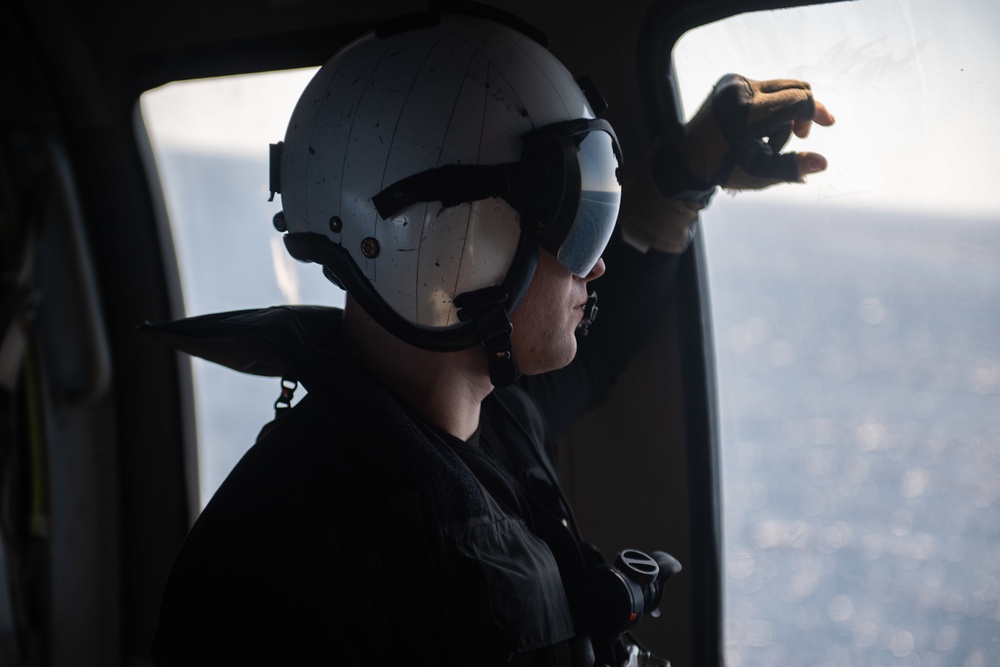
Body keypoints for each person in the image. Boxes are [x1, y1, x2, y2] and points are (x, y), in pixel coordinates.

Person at [145, 7, 834, 666]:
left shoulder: (492, 420)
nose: (595, 265)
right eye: (574, 217)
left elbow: (599, 349)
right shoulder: (279, 565)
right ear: (452, 244)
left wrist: (684, 173)